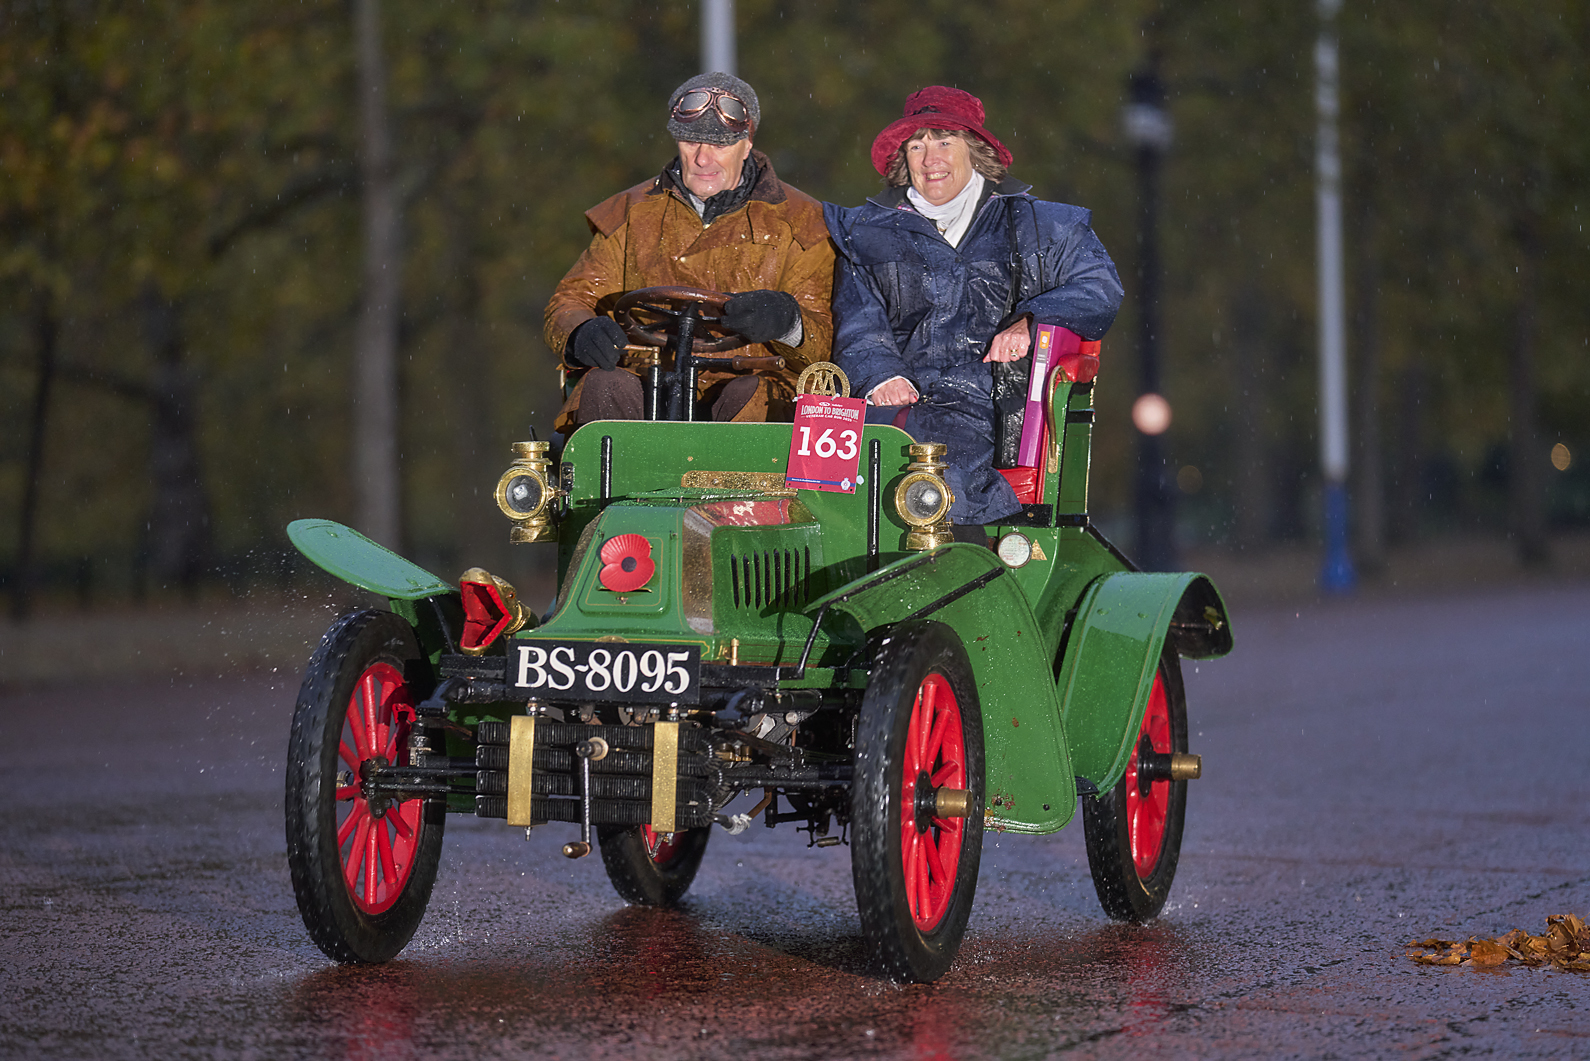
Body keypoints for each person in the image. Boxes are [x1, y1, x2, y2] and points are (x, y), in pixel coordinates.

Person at [825, 87, 1124, 526]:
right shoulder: (863, 233)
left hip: (991, 402)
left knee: (941, 477)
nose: (931, 159)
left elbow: (1099, 288)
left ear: (976, 152)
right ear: (903, 158)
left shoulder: (1043, 225)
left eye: (945, 142)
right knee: (820, 475)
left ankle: (955, 561)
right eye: (917, 146)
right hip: (885, 401)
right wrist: (881, 375)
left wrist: (1032, 319)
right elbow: (858, 322)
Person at [546, 73, 834, 429]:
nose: (702, 159)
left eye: (720, 145)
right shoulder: (630, 214)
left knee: (752, 398)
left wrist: (789, 323)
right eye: (691, 141)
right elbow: (571, 299)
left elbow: (828, 347)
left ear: (747, 144)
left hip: (752, 383)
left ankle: (732, 468)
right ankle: (610, 466)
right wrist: (580, 332)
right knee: (605, 386)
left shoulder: (803, 224)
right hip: (647, 382)